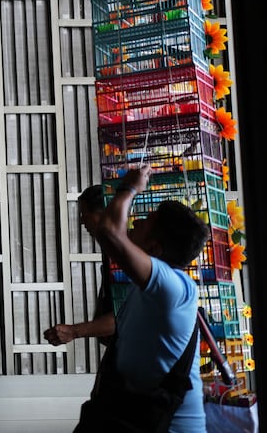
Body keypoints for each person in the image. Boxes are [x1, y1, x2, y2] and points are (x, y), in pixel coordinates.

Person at [75, 166, 209, 433]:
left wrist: (130, 188)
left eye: (145, 222)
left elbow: (110, 232)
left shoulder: (175, 287)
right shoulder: (146, 288)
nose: (135, 223)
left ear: (154, 249)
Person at [44, 185, 115, 347]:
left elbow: (123, 316)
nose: (83, 221)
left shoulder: (122, 254)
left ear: (103, 214)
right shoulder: (109, 251)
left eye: (86, 214)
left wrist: (75, 331)